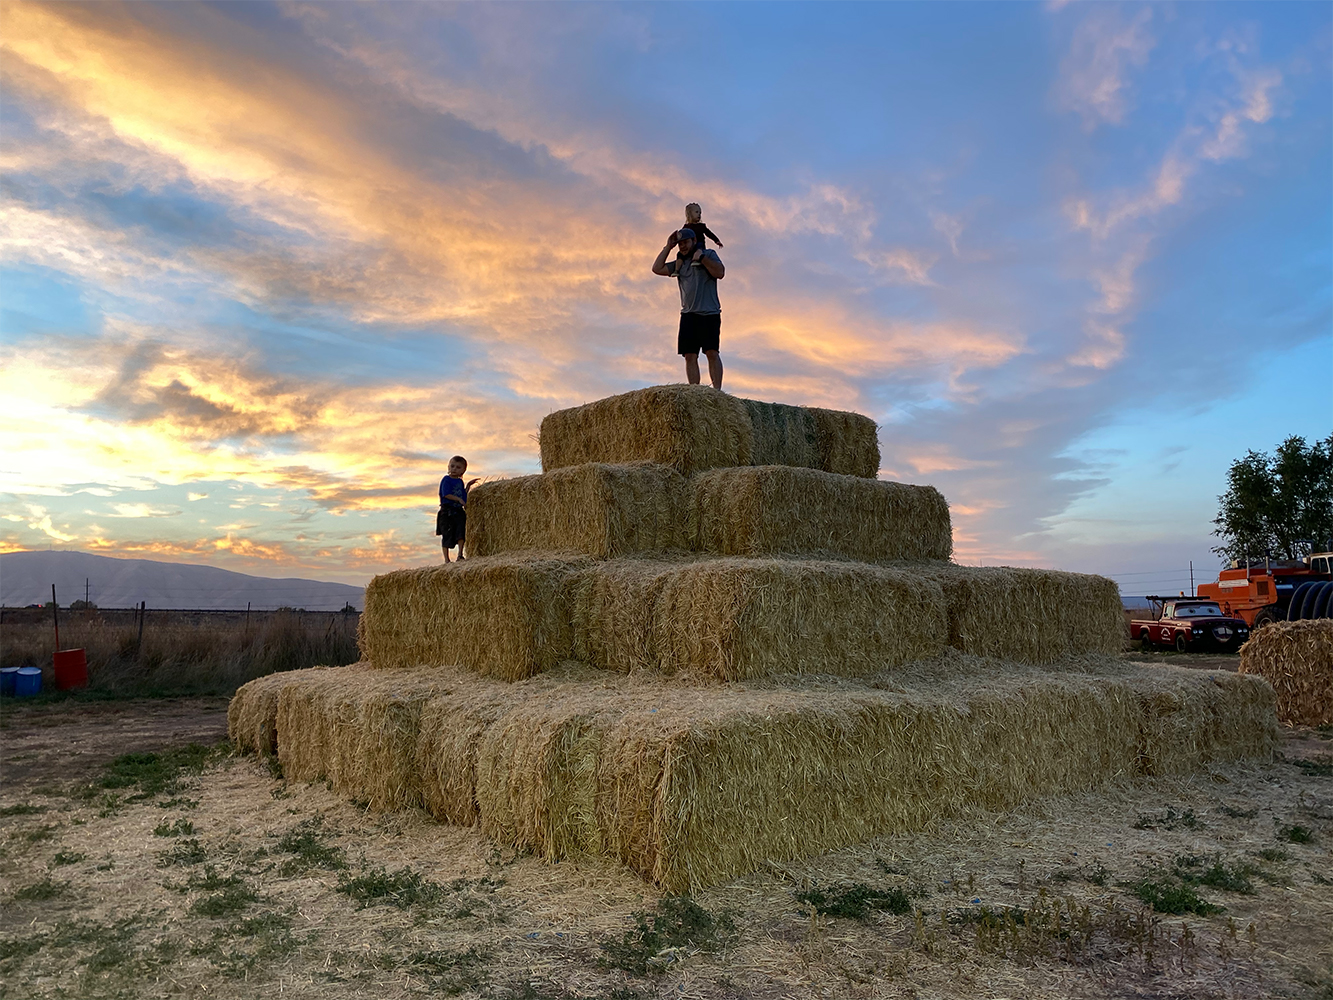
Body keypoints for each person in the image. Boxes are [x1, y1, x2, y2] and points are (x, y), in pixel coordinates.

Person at [652, 227, 726, 389]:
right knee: (690, 355)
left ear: (694, 241)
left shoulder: (709, 255)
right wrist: (668, 247)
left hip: (709, 313)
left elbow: (720, 272)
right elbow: (657, 268)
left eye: (685, 242)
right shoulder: (680, 264)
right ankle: (695, 392)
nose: (682, 247)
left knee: (712, 352)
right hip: (688, 315)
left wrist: (702, 258)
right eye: (680, 244)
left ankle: (717, 392)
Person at [437, 456, 479, 562]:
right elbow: (446, 494)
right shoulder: (446, 479)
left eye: (458, 467)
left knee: (461, 532)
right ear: (448, 467)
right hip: (447, 510)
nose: (454, 469)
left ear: (463, 470)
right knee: (446, 534)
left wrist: (468, 486)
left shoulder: (460, 482)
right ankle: (447, 559)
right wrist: (458, 500)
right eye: (452, 466)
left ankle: (460, 555)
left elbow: (463, 496)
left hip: (458, 511)